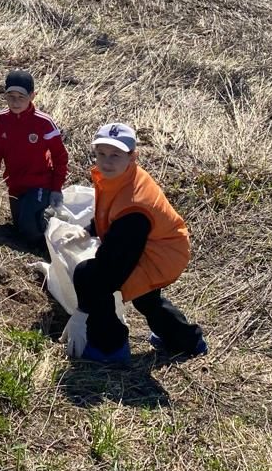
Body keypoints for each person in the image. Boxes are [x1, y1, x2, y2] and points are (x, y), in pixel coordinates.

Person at [72, 122, 207, 364]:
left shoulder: (134, 205)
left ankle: (110, 348)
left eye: (115, 155)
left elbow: (111, 271)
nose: (106, 161)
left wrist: (82, 311)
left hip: (159, 253)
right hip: (160, 244)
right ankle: (188, 341)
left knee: (90, 277)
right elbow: (111, 212)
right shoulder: (122, 176)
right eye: (101, 153)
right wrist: (90, 229)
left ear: (132, 156)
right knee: (146, 298)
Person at [0, 69, 69, 248]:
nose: (15, 102)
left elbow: (60, 157)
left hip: (40, 183)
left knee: (31, 232)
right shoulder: (0, 120)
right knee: (19, 227)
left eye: (21, 97)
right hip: (15, 184)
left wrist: (56, 188)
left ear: (32, 96)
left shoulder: (43, 123)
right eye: (11, 96)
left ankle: (53, 229)